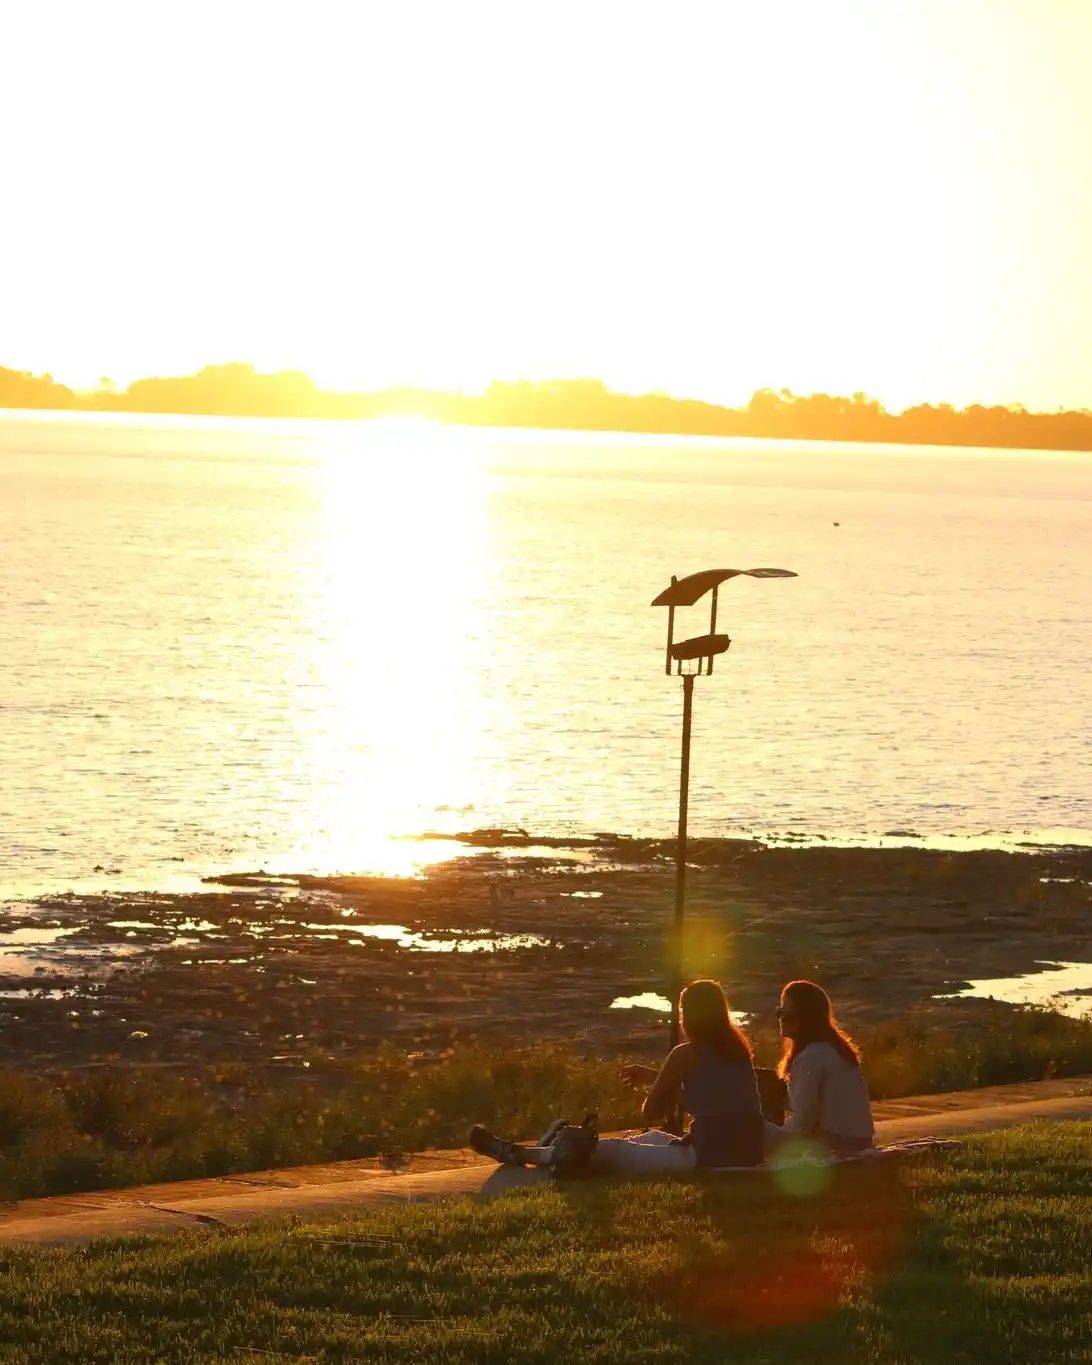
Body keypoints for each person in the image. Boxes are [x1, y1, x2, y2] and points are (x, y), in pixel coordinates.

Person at [469, 979, 765, 1175]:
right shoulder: (738, 1051)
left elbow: (650, 1111)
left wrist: (661, 1084)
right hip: (748, 1151)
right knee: (651, 1139)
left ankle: (518, 1153)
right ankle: (547, 1145)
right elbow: (713, 1100)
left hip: (709, 1157)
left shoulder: (686, 1053)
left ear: (688, 1015)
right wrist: (656, 1077)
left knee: (605, 1149)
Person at [765, 979, 874, 1155]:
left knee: (752, 1127)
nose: (781, 1020)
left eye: (787, 1015)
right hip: (860, 1147)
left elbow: (802, 1125)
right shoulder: (839, 1052)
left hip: (831, 1150)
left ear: (806, 1018)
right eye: (779, 1013)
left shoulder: (810, 1058)